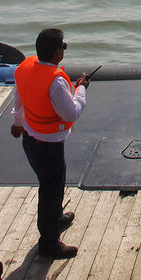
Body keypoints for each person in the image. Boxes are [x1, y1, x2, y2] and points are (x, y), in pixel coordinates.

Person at [11, 27, 88, 259]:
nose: (63, 51)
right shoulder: (55, 82)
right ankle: (49, 243)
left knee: (52, 185)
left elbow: (18, 96)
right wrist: (82, 88)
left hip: (30, 138)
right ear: (56, 53)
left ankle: (55, 219)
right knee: (50, 190)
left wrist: (17, 122)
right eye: (63, 47)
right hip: (49, 145)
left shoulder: (25, 67)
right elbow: (72, 112)